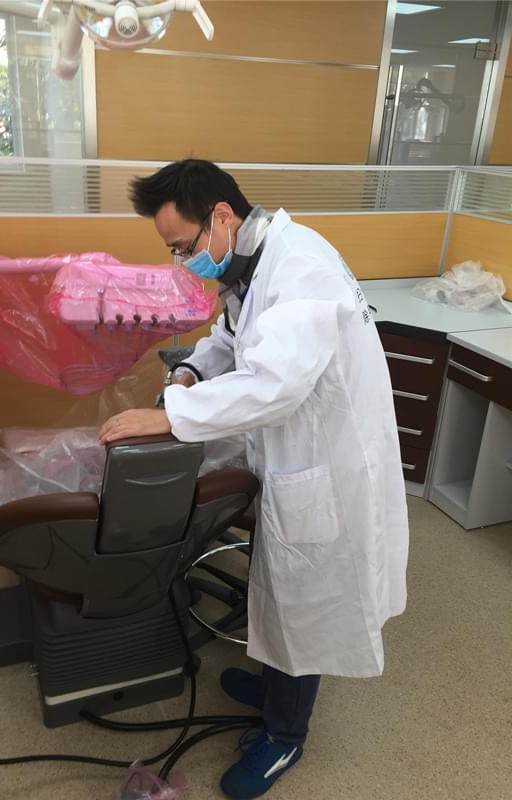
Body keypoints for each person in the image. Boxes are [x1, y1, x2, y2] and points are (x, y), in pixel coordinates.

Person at [99, 159, 409, 800]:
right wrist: (191, 371)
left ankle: (286, 734)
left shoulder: (301, 269)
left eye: (183, 246)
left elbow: (273, 383)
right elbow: (235, 336)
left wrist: (170, 417)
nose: (185, 261)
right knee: (278, 578)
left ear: (221, 216)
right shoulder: (252, 262)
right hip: (293, 454)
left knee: (305, 598)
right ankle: (272, 687)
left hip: (327, 466)